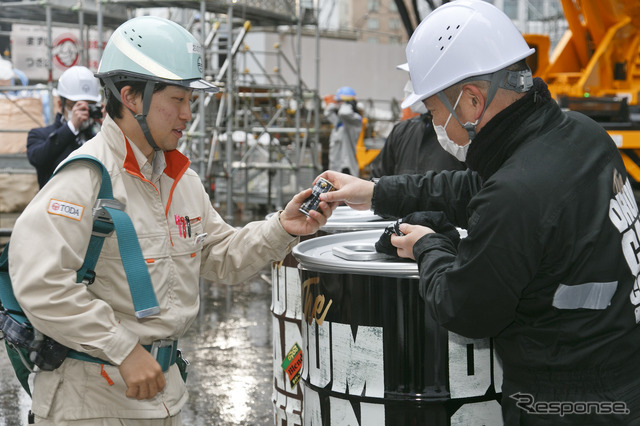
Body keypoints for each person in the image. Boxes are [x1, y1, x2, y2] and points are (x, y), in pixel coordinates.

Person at [317, 0, 640, 424]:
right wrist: (377, 191)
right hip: (622, 371)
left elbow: (466, 308)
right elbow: (475, 188)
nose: (434, 125)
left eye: (434, 112)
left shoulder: (518, 192)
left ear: (471, 101)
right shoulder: (580, 133)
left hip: (567, 402)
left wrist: (429, 247)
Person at [8, 16, 333, 425]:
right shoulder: (86, 179)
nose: (188, 114)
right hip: (92, 402)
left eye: (191, 101)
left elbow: (220, 256)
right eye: (178, 99)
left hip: (163, 394)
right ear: (131, 97)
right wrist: (122, 348)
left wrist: (283, 227)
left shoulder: (180, 180)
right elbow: (39, 282)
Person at [27, 66, 103, 188]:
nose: (84, 110)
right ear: (59, 104)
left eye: (90, 105)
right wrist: (72, 127)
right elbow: (38, 159)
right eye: (77, 104)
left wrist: (108, 127)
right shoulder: (39, 134)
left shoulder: (99, 136)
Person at [370, 80, 466, 177]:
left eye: (415, 78)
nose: (409, 85)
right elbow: (378, 178)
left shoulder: (459, 135)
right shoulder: (401, 132)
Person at [325, 86, 362, 176]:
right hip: (335, 168)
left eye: (341, 102)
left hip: (346, 168)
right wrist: (334, 103)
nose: (339, 105)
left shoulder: (354, 121)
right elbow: (328, 113)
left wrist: (346, 104)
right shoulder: (339, 123)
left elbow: (344, 113)